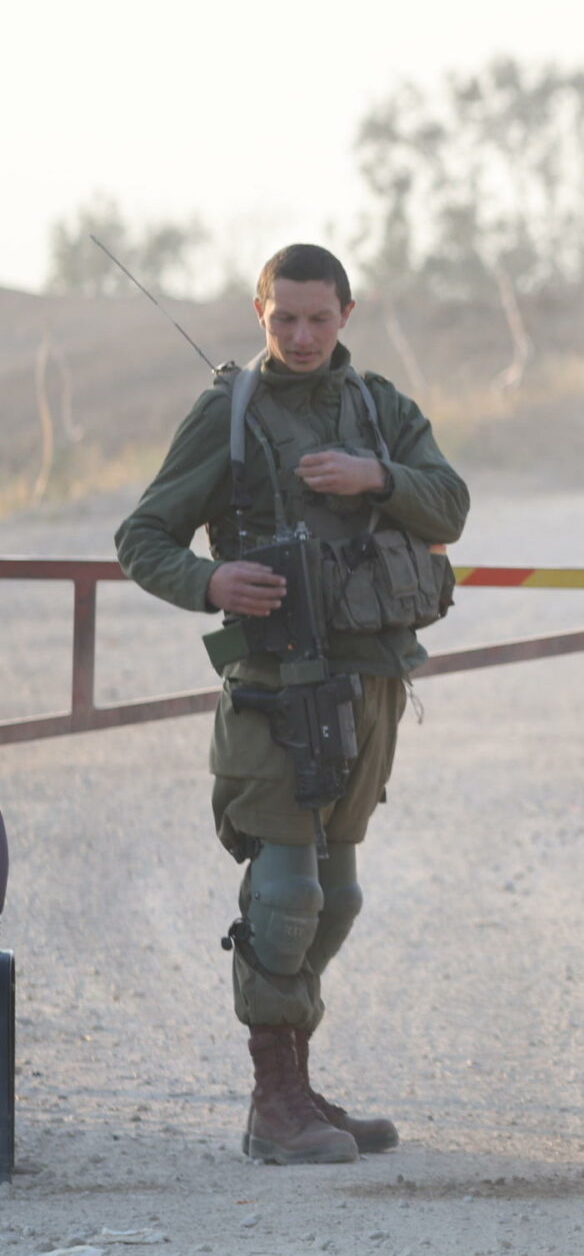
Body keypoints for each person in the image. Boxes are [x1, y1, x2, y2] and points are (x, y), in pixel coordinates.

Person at [115, 244, 469, 1165]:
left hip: (369, 682)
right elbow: (142, 534)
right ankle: (273, 1101)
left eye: (320, 318)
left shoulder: (379, 409)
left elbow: (451, 504)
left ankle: (298, 1082)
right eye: (286, 320)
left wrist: (377, 478)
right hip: (276, 688)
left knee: (337, 895)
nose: (303, 336)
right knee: (285, 892)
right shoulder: (225, 414)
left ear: (348, 313)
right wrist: (210, 580)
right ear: (259, 311)